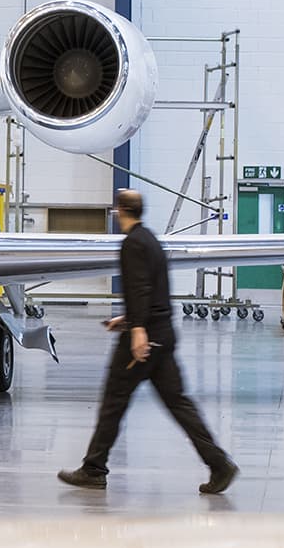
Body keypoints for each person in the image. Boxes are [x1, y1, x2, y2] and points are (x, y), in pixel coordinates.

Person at [58, 189, 237, 494]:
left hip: (144, 339)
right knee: (179, 404)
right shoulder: (151, 240)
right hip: (162, 334)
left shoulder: (132, 244)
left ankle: (93, 469)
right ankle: (220, 464)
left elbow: (140, 288)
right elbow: (153, 291)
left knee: (113, 402)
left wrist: (137, 329)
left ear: (121, 211)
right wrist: (128, 320)